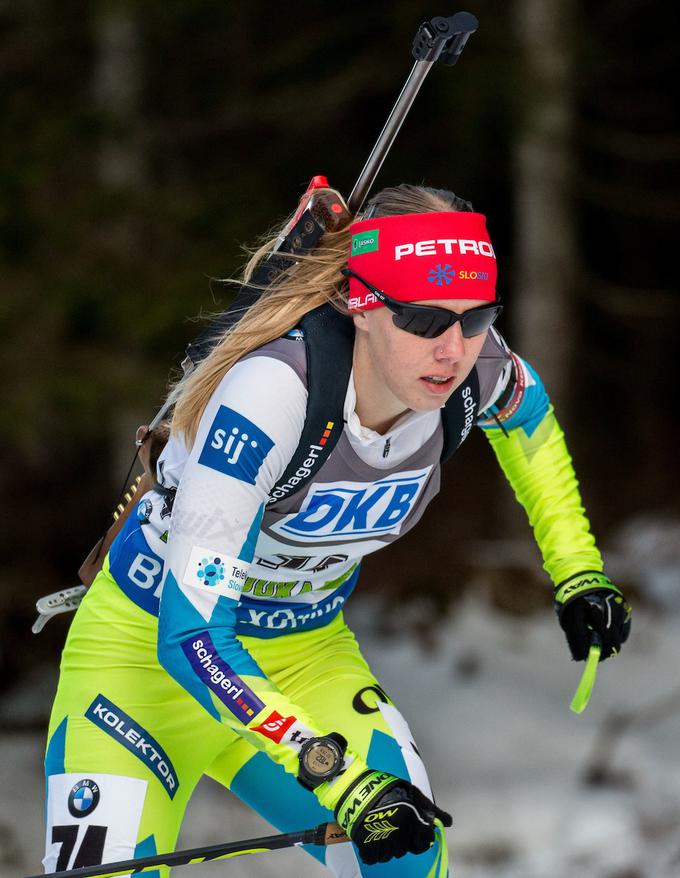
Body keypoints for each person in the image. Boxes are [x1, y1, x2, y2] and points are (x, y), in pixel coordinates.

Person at [43, 184, 631, 877]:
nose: (452, 350)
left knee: (408, 859)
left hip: (301, 655)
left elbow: (529, 425)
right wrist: (337, 775)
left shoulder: (476, 371)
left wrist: (576, 569)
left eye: (478, 318)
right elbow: (191, 637)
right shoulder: (272, 396)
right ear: (363, 303)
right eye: (423, 320)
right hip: (146, 662)